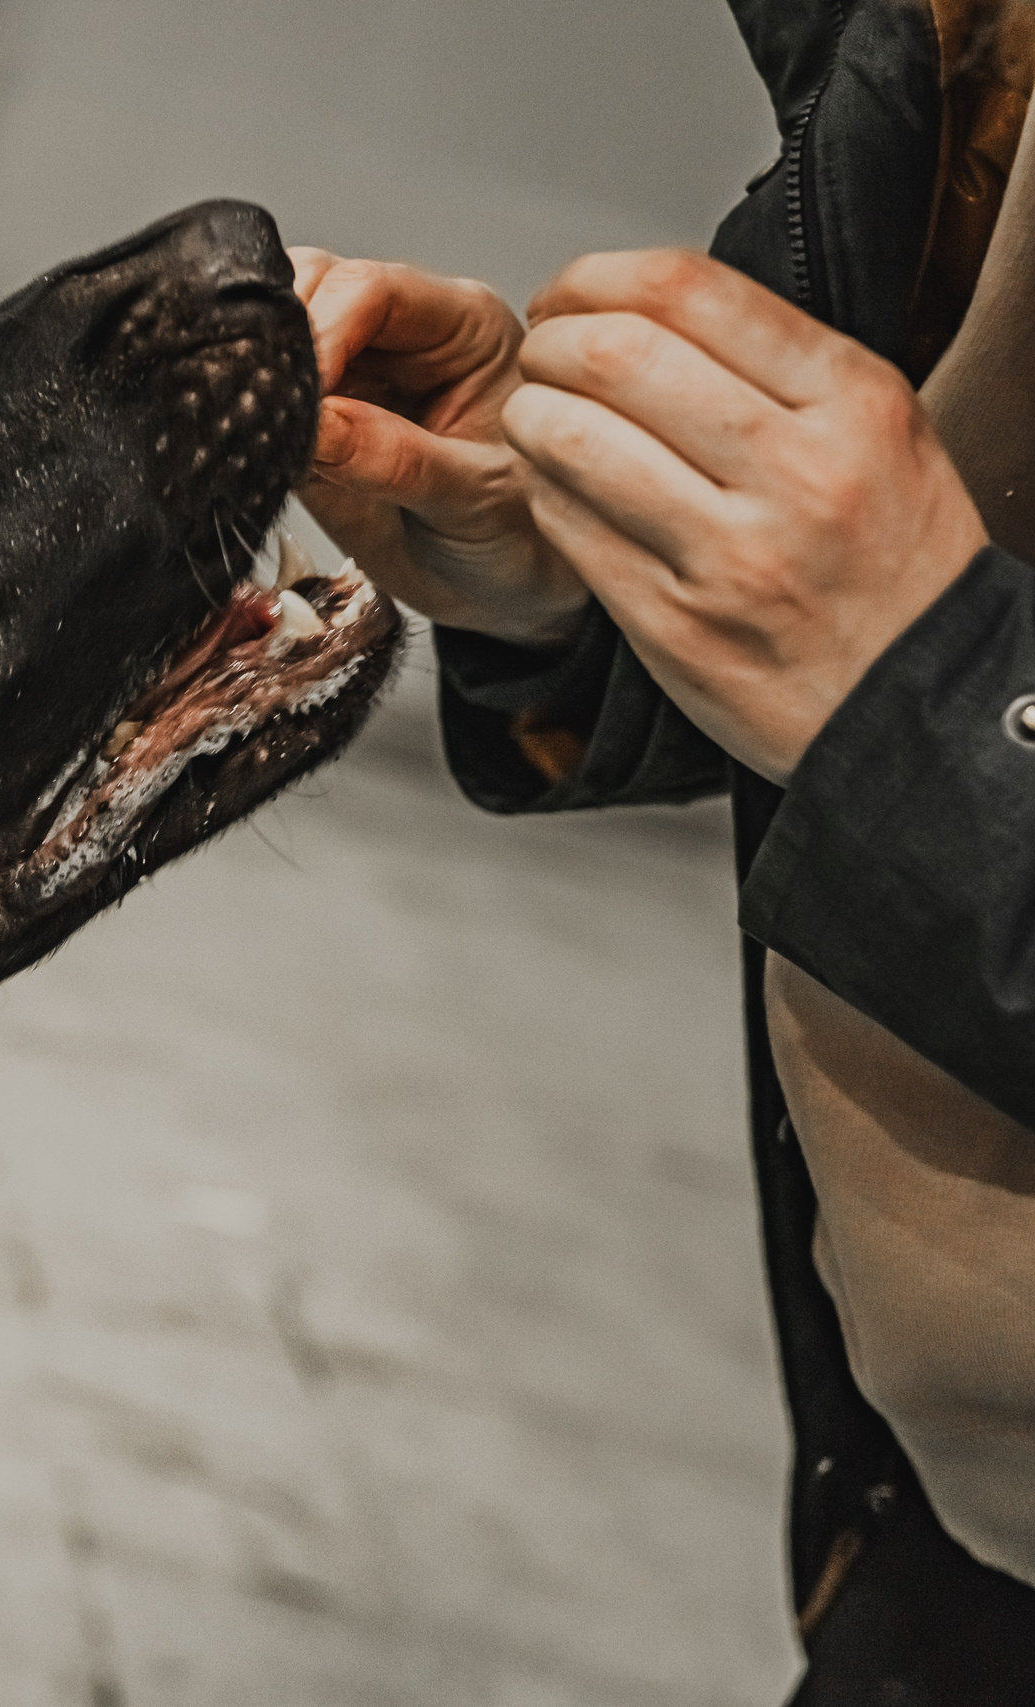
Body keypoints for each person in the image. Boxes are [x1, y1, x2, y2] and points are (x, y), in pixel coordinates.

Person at [293, 0, 1035, 1697]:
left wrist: (940, 721)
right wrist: (581, 577)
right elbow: (964, 518)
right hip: (925, 1548)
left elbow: (939, 661)